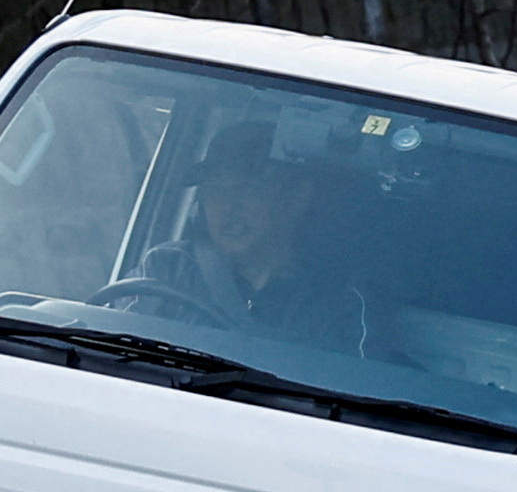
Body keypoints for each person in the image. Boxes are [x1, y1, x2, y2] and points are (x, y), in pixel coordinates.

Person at [148, 129, 373, 353]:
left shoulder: (339, 304)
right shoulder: (167, 267)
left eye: (249, 188)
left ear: (296, 198)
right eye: (216, 189)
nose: (229, 206)